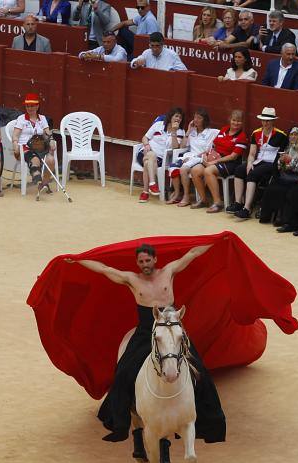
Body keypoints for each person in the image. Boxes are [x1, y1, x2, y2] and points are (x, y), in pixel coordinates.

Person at [66, 243, 226, 444]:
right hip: (145, 330)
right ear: (137, 263)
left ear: (155, 259)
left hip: (170, 327)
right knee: (123, 372)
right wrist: (79, 259)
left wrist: (218, 239)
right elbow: (104, 269)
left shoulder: (168, 271)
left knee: (199, 369)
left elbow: (193, 252)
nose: (145, 264)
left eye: (148, 260)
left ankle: (210, 424)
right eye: (141, 261)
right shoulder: (131, 279)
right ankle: (121, 426)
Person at [227, 107, 288, 219]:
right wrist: (249, 163)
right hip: (258, 160)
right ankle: (238, 202)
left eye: (268, 121)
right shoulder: (256, 133)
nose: (265, 123)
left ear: (273, 121)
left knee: (253, 174)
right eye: (263, 120)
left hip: (271, 163)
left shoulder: (281, 135)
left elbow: (282, 155)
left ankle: (247, 208)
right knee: (239, 170)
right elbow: (252, 153)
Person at [258, 126, 298, 224]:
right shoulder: (286, 147)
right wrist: (281, 161)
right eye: (291, 134)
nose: (293, 137)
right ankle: (265, 216)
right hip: (283, 177)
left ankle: (281, 218)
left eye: (296, 135)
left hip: (297, 179)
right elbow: (277, 166)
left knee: (287, 192)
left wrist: (290, 160)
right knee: (271, 189)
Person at [197, 109, 248, 213]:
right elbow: (214, 145)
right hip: (216, 158)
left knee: (208, 171)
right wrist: (207, 154)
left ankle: (217, 202)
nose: (236, 123)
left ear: (242, 122)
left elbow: (233, 156)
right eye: (234, 120)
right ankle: (203, 200)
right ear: (230, 120)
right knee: (195, 170)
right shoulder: (224, 130)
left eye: (239, 121)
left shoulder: (242, 136)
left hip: (231, 163)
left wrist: (215, 161)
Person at [167, 108, 217, 208]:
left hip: (200, 158)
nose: (196, 120)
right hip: (190, 156)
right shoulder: (192, 132)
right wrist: (188, 131)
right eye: (195, 117)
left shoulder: (211, 132)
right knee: (173, 167)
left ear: (204, 120)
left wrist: (197, 156)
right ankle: (177, 193)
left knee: (183, 169)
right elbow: (182, 146)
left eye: (199, 118)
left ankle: (186, 196)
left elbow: (212, 148)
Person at [11, 93, 57, 195]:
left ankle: (44, 183)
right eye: (27, 106)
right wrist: (15, 144)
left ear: (37, 106)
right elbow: (15, 135)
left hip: (39, 147)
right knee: (34, 159)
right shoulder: (21, 118)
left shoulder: (42, 118)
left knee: (51, 160)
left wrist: (51, 140)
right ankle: (37, 178)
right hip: (25, 147)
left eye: (32, 106)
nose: (29, 108)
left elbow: (47, 134)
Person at [137, 108, 185, 203]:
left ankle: (146, 191)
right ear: (170, 116)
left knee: (148, 162)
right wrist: (146, 145)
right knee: (151, 155)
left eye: (180, 117)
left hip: (160, 159)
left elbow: (175, 147)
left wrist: (174, 132)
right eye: (176, 116)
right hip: (144, 152)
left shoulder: (180, 131)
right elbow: (145, 137)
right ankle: (152, 184)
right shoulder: (158, 125)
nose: (178, 119)